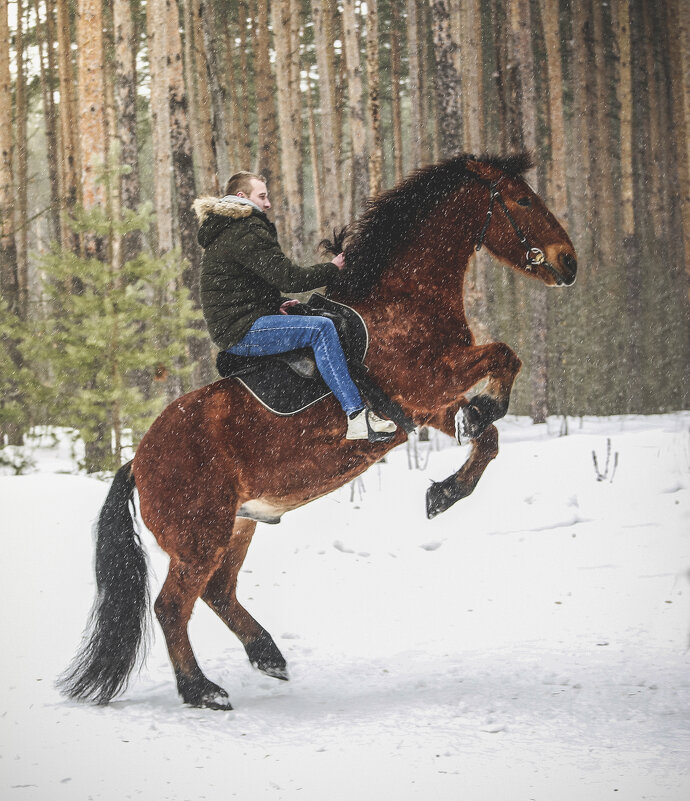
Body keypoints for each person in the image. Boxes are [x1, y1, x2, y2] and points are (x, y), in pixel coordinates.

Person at [194, 171, 397, 442]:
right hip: (241, 331)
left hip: (242, 323)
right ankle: (356, 416)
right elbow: (290, 277)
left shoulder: (229, 230)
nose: (267, 204)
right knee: (321, 329)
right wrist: (333, 268)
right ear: (242, 197)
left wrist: (275, 303)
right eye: (262, 197)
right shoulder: (243, 229)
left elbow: (244, 284)